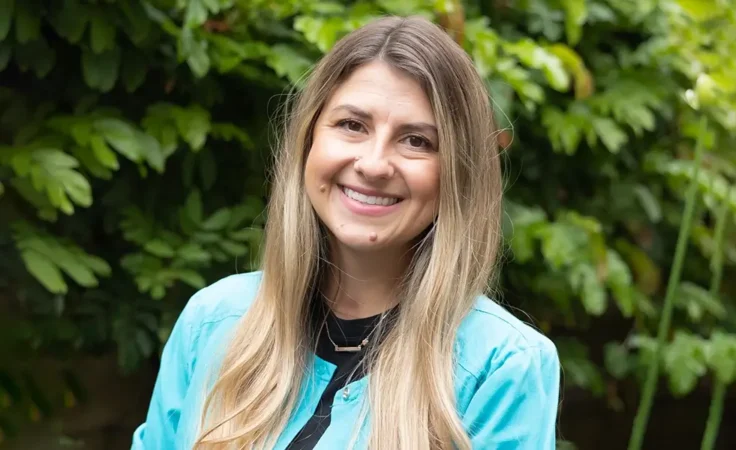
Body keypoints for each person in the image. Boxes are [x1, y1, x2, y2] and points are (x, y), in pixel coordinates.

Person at [131, 15, 560, 450]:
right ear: (309, 140)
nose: (374, 164)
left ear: (459, 174)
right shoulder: (213, 322)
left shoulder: (500, 367)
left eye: (416, 141)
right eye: (352, 125)